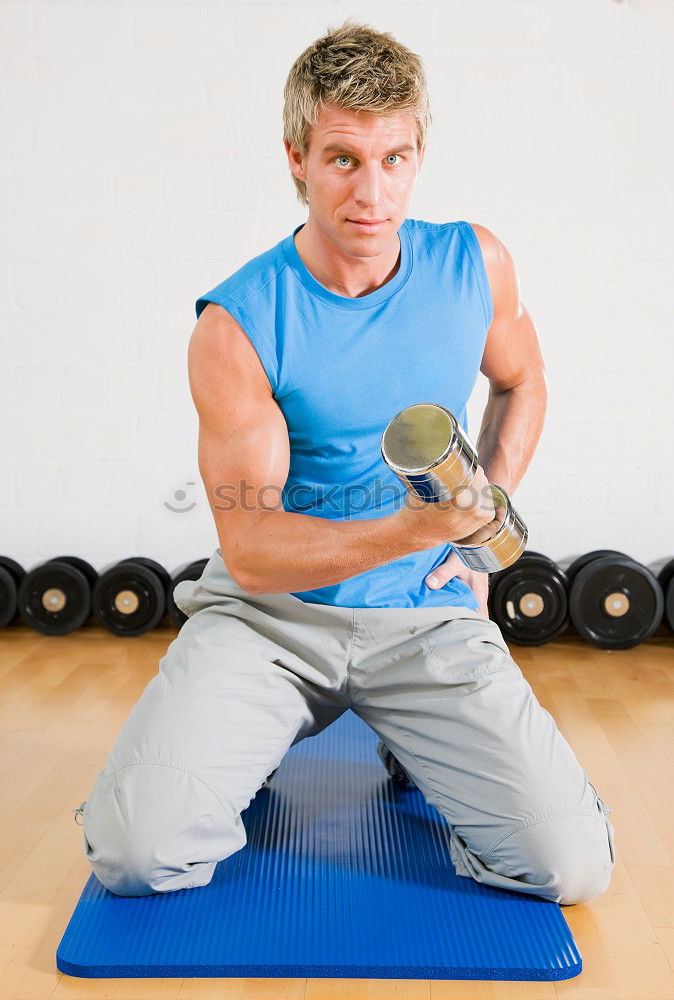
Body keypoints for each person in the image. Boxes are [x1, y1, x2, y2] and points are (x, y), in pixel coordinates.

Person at [76, 18, 615, 903]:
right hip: (270, 624)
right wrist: (411, 529)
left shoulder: (474, 264)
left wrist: (480, 525)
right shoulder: (238, 325)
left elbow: (525, 382)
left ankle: (418, 742)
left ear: (419, 152)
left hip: (426, 621)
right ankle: (248, 740)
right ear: (296, 157)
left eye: (394, 159)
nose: (373, 193)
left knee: (572, 866)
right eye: (342, 160)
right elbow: (250, 550)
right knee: (137, 851)